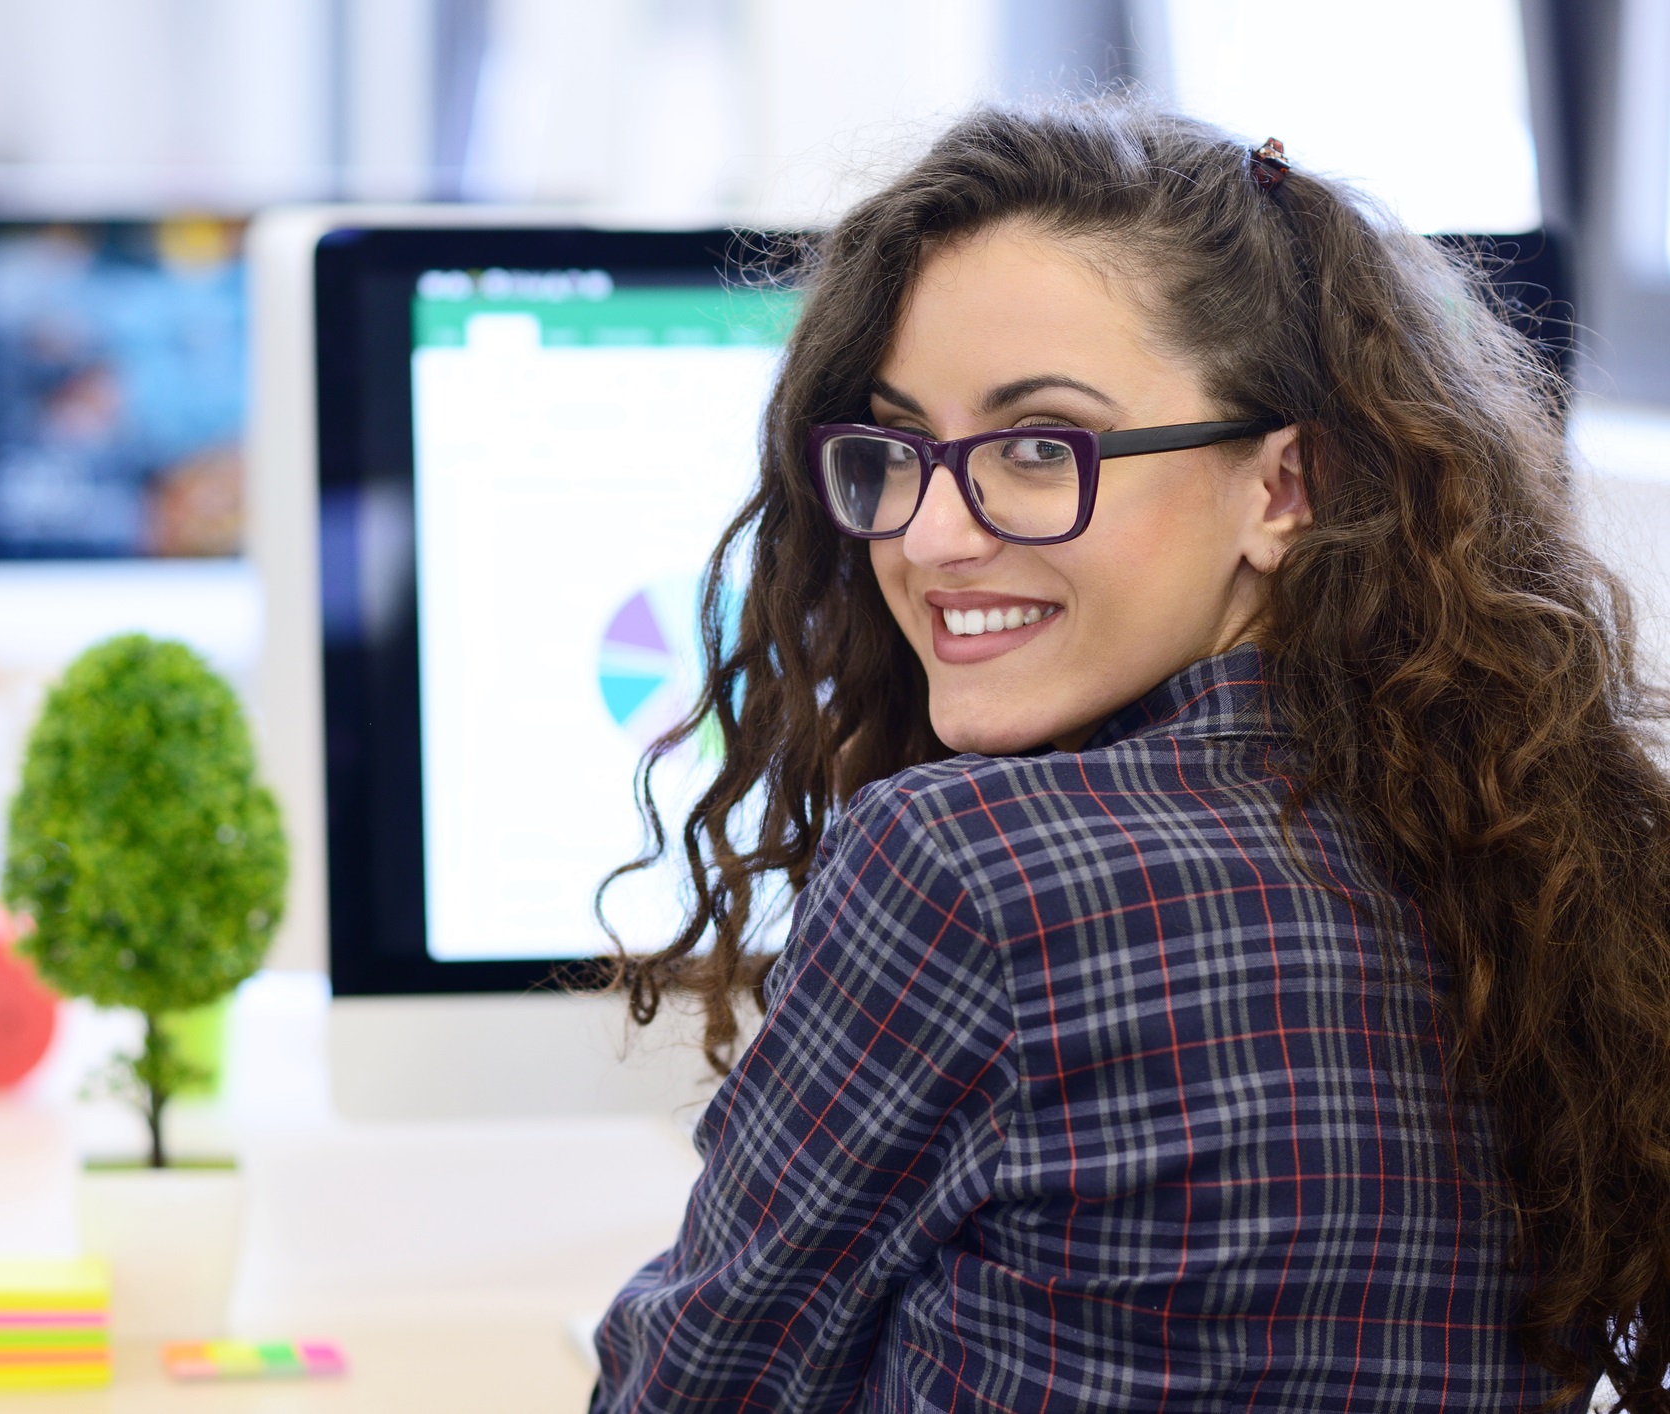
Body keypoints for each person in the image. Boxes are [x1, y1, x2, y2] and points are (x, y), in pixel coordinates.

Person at [591, 103, 1670, 1411]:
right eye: (898, 449)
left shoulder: (967, 871)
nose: (930, 538)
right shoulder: (1539, 860)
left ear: (1284, 486)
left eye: (1041, 448)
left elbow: (693, 1388)